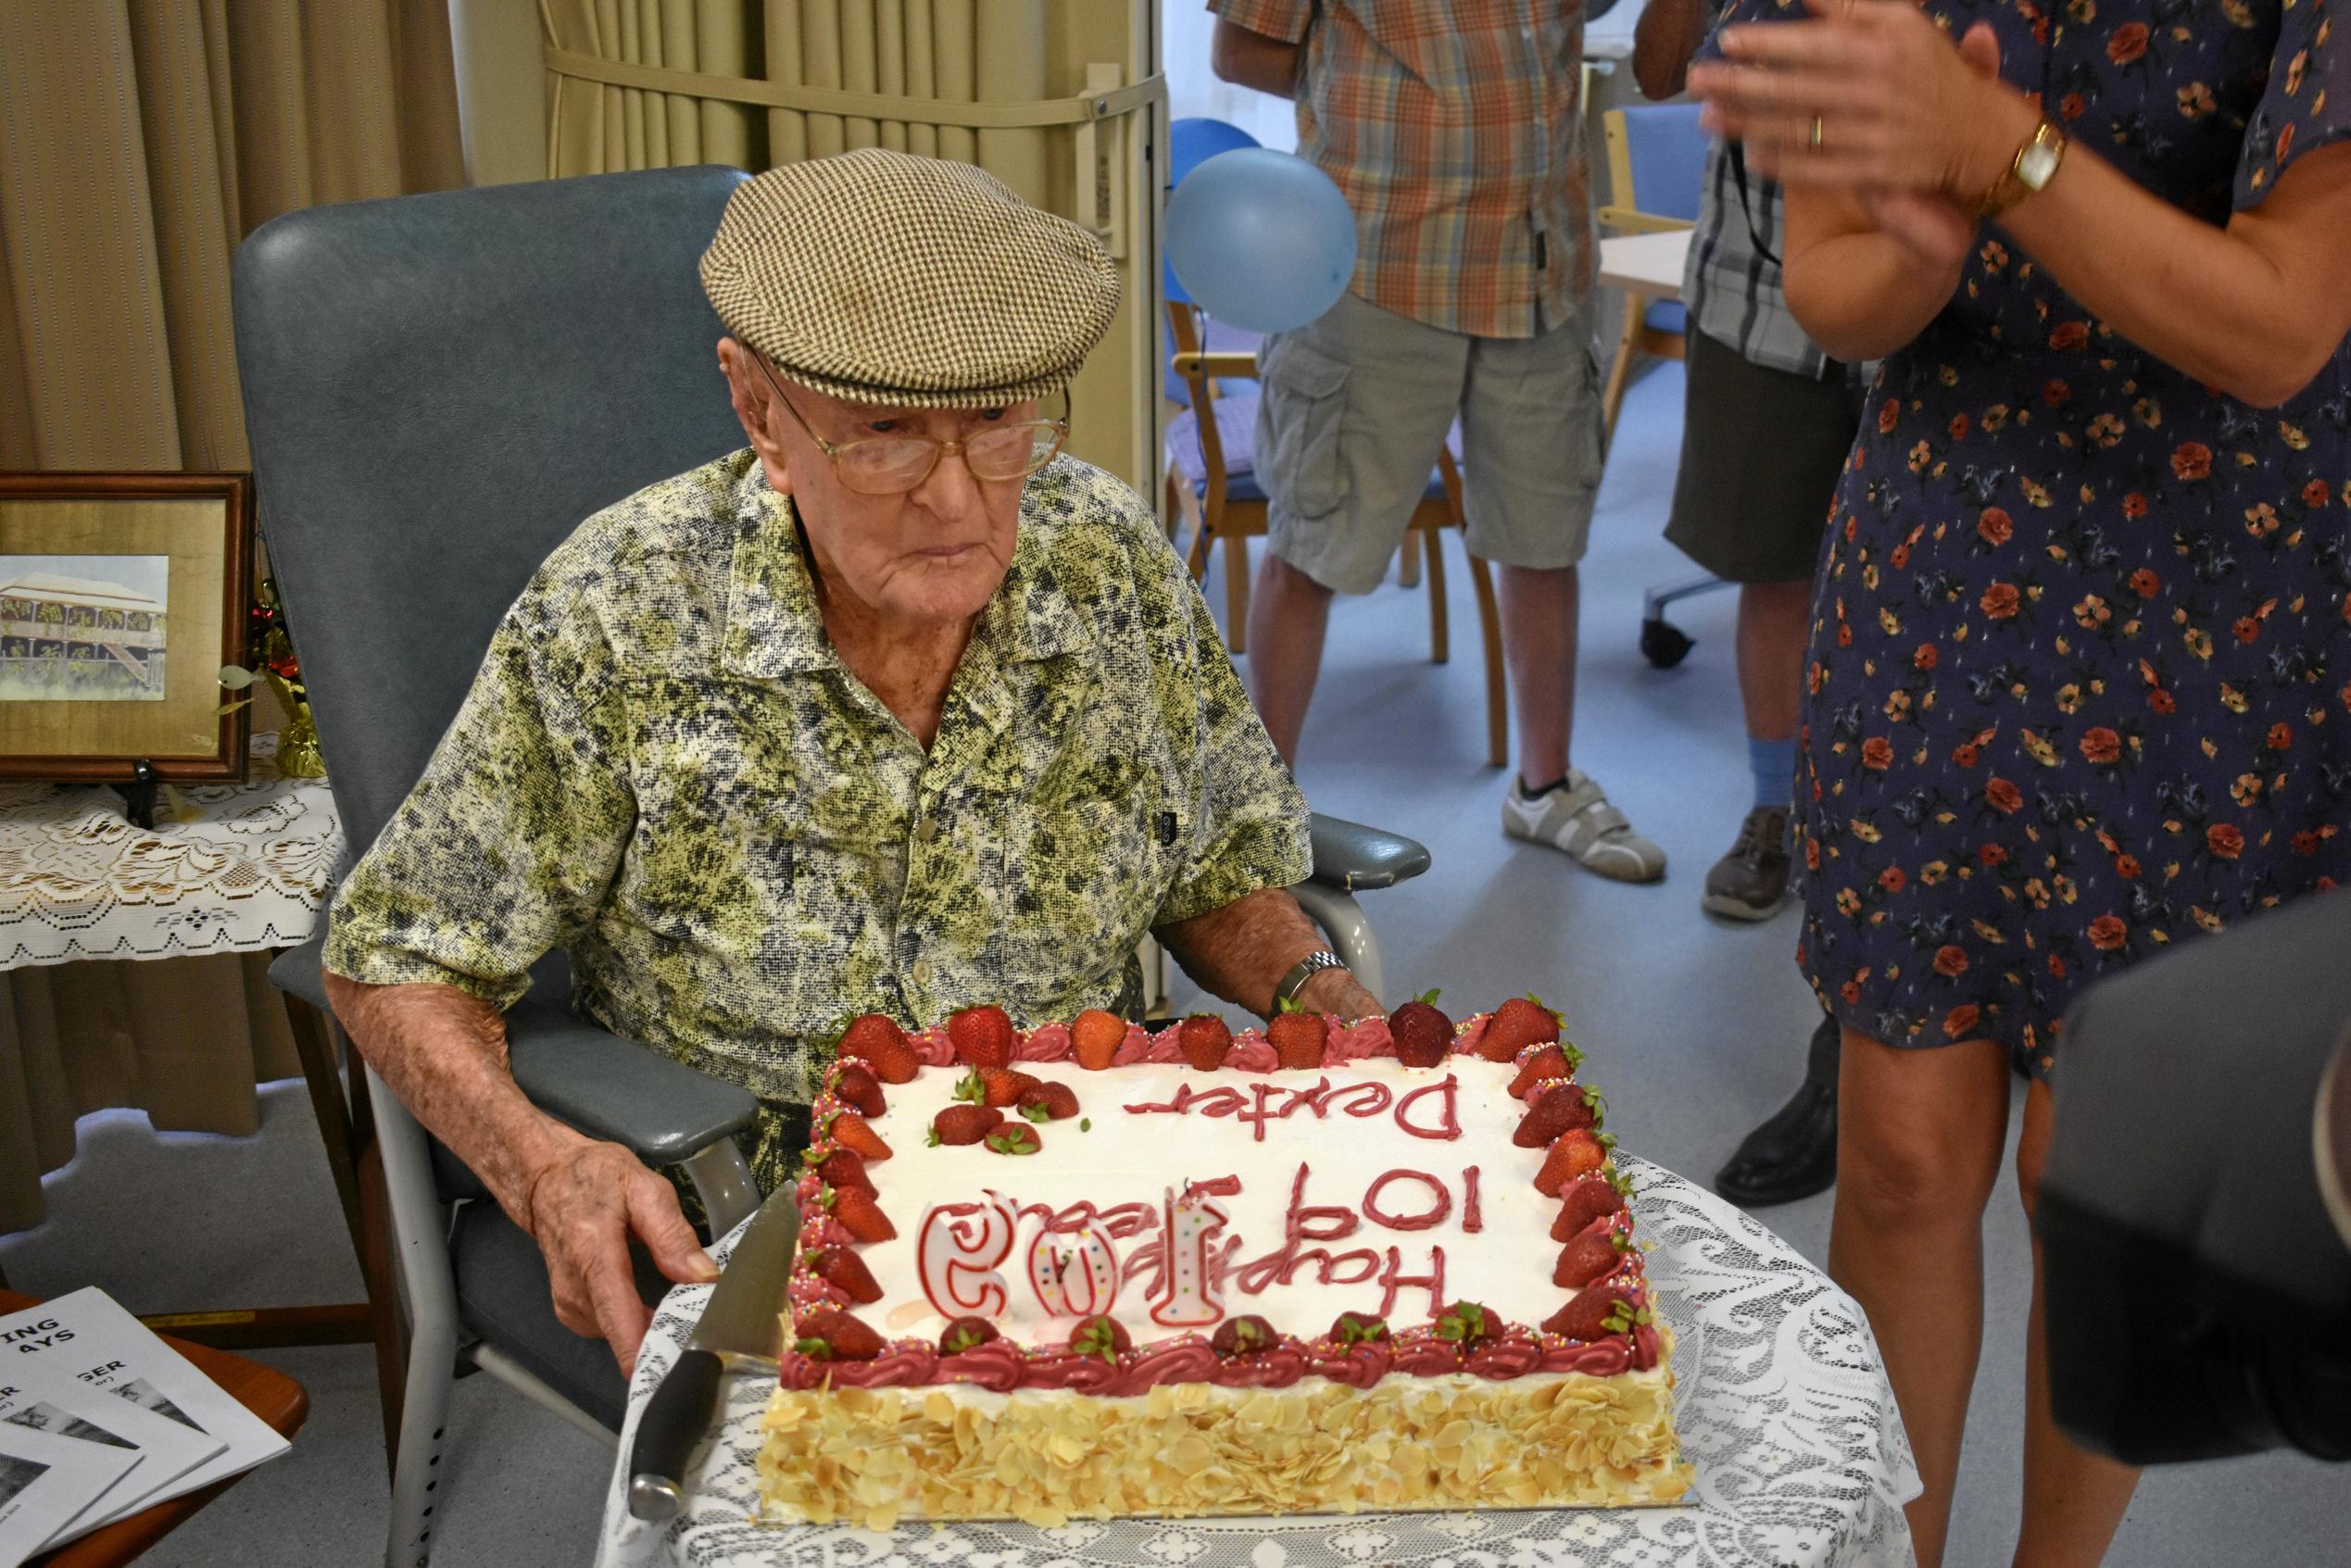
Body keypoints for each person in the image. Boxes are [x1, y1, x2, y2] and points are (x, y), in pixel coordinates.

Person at [321, 149, 1383, 1374]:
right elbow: (394, 960)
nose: (956, 498)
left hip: (1099, 1188)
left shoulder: (1105, 558)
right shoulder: (624, 609)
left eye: (997, 421)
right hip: (780, 1230)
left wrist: (1322, 995)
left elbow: (1208, 869)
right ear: (759, 410)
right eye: (883, 437)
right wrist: (546, 1164)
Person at [1691, 2, 2351, 1563]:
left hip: (2217, 586)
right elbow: (1835, 287)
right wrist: (1922, 241)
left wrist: (2005, 152)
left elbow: (2276, 328)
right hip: (1942, 550)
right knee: (1902, 1150)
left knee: (2092, 1166)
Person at [1209, 0, 1665, 882]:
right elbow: (1239, 51)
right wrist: (1388, 94)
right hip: (1380, 264)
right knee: (1312, 545)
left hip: (1541, 263)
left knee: (1544, 539)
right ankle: (1257, 822)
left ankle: (1546, 786)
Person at [1634, 0, 1861, 1206]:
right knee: (1772, 567)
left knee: (1904, 613)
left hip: (1936, 311)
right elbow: (1657, 70)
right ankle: (1775, 817)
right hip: (1754, 294)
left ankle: (1871, 848)